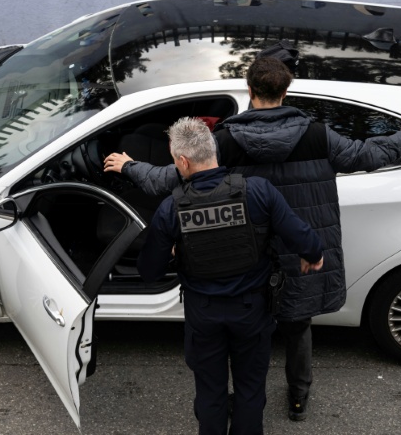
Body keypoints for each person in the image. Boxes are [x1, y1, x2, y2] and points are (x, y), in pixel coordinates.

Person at [105, 49, 401, 420]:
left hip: (247, 252)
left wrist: (129, 166)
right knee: (298, 323)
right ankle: (297, 397)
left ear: (248, 89)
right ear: (286, 91)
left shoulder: (224, 141)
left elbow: (169, 179)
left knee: (247, 332)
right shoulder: (318, 135)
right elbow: (370, 154)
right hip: (299, 248)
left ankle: (228, 403)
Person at [137, 117, 324, 435]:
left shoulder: (172, 208)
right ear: (213, 152)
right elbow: (304, 239)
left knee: (210, 394)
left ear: (183, 161)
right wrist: (314, 257)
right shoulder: (258, 191)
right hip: (252, 310)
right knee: (250, 391)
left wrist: (173, 250)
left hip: (204, 313)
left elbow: (149, 272)